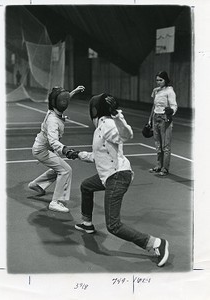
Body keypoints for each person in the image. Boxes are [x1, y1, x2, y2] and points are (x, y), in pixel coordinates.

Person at [74, 93, 169, 267]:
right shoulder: (101, 127)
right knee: (86, 186)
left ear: (95, 110)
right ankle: (87, 223)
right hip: (109, 175)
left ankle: (155, 243)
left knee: (113, 225)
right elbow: (97, 156)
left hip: (117, 176)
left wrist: (118, 117)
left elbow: (125, 135)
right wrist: (77, 154)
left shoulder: (108, 124)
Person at [28, 85, 85, 213]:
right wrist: (66, 150)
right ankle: (56, 201)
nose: (65, 101)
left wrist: (74, 91)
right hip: (42, 150)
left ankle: (36, 184)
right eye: (62, 99)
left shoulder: (53, 111)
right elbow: (53, 141)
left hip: (42, 148)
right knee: (66, 170)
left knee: (59, 168)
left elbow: (65, 98)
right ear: (56, 102)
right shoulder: (53, 120)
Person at [148, 71, 177, 176]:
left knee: (166, 145)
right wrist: (150, 120)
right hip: (156, 117)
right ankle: (159, 166)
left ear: (165, 80)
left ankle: (165, 168)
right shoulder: (156, 91)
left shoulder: (170, 91)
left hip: (165, 119)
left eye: (161, 80)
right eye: (157, 80)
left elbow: (174, 105)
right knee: (158, 144)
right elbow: (154, 106)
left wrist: (171, 111)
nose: (158, 82)